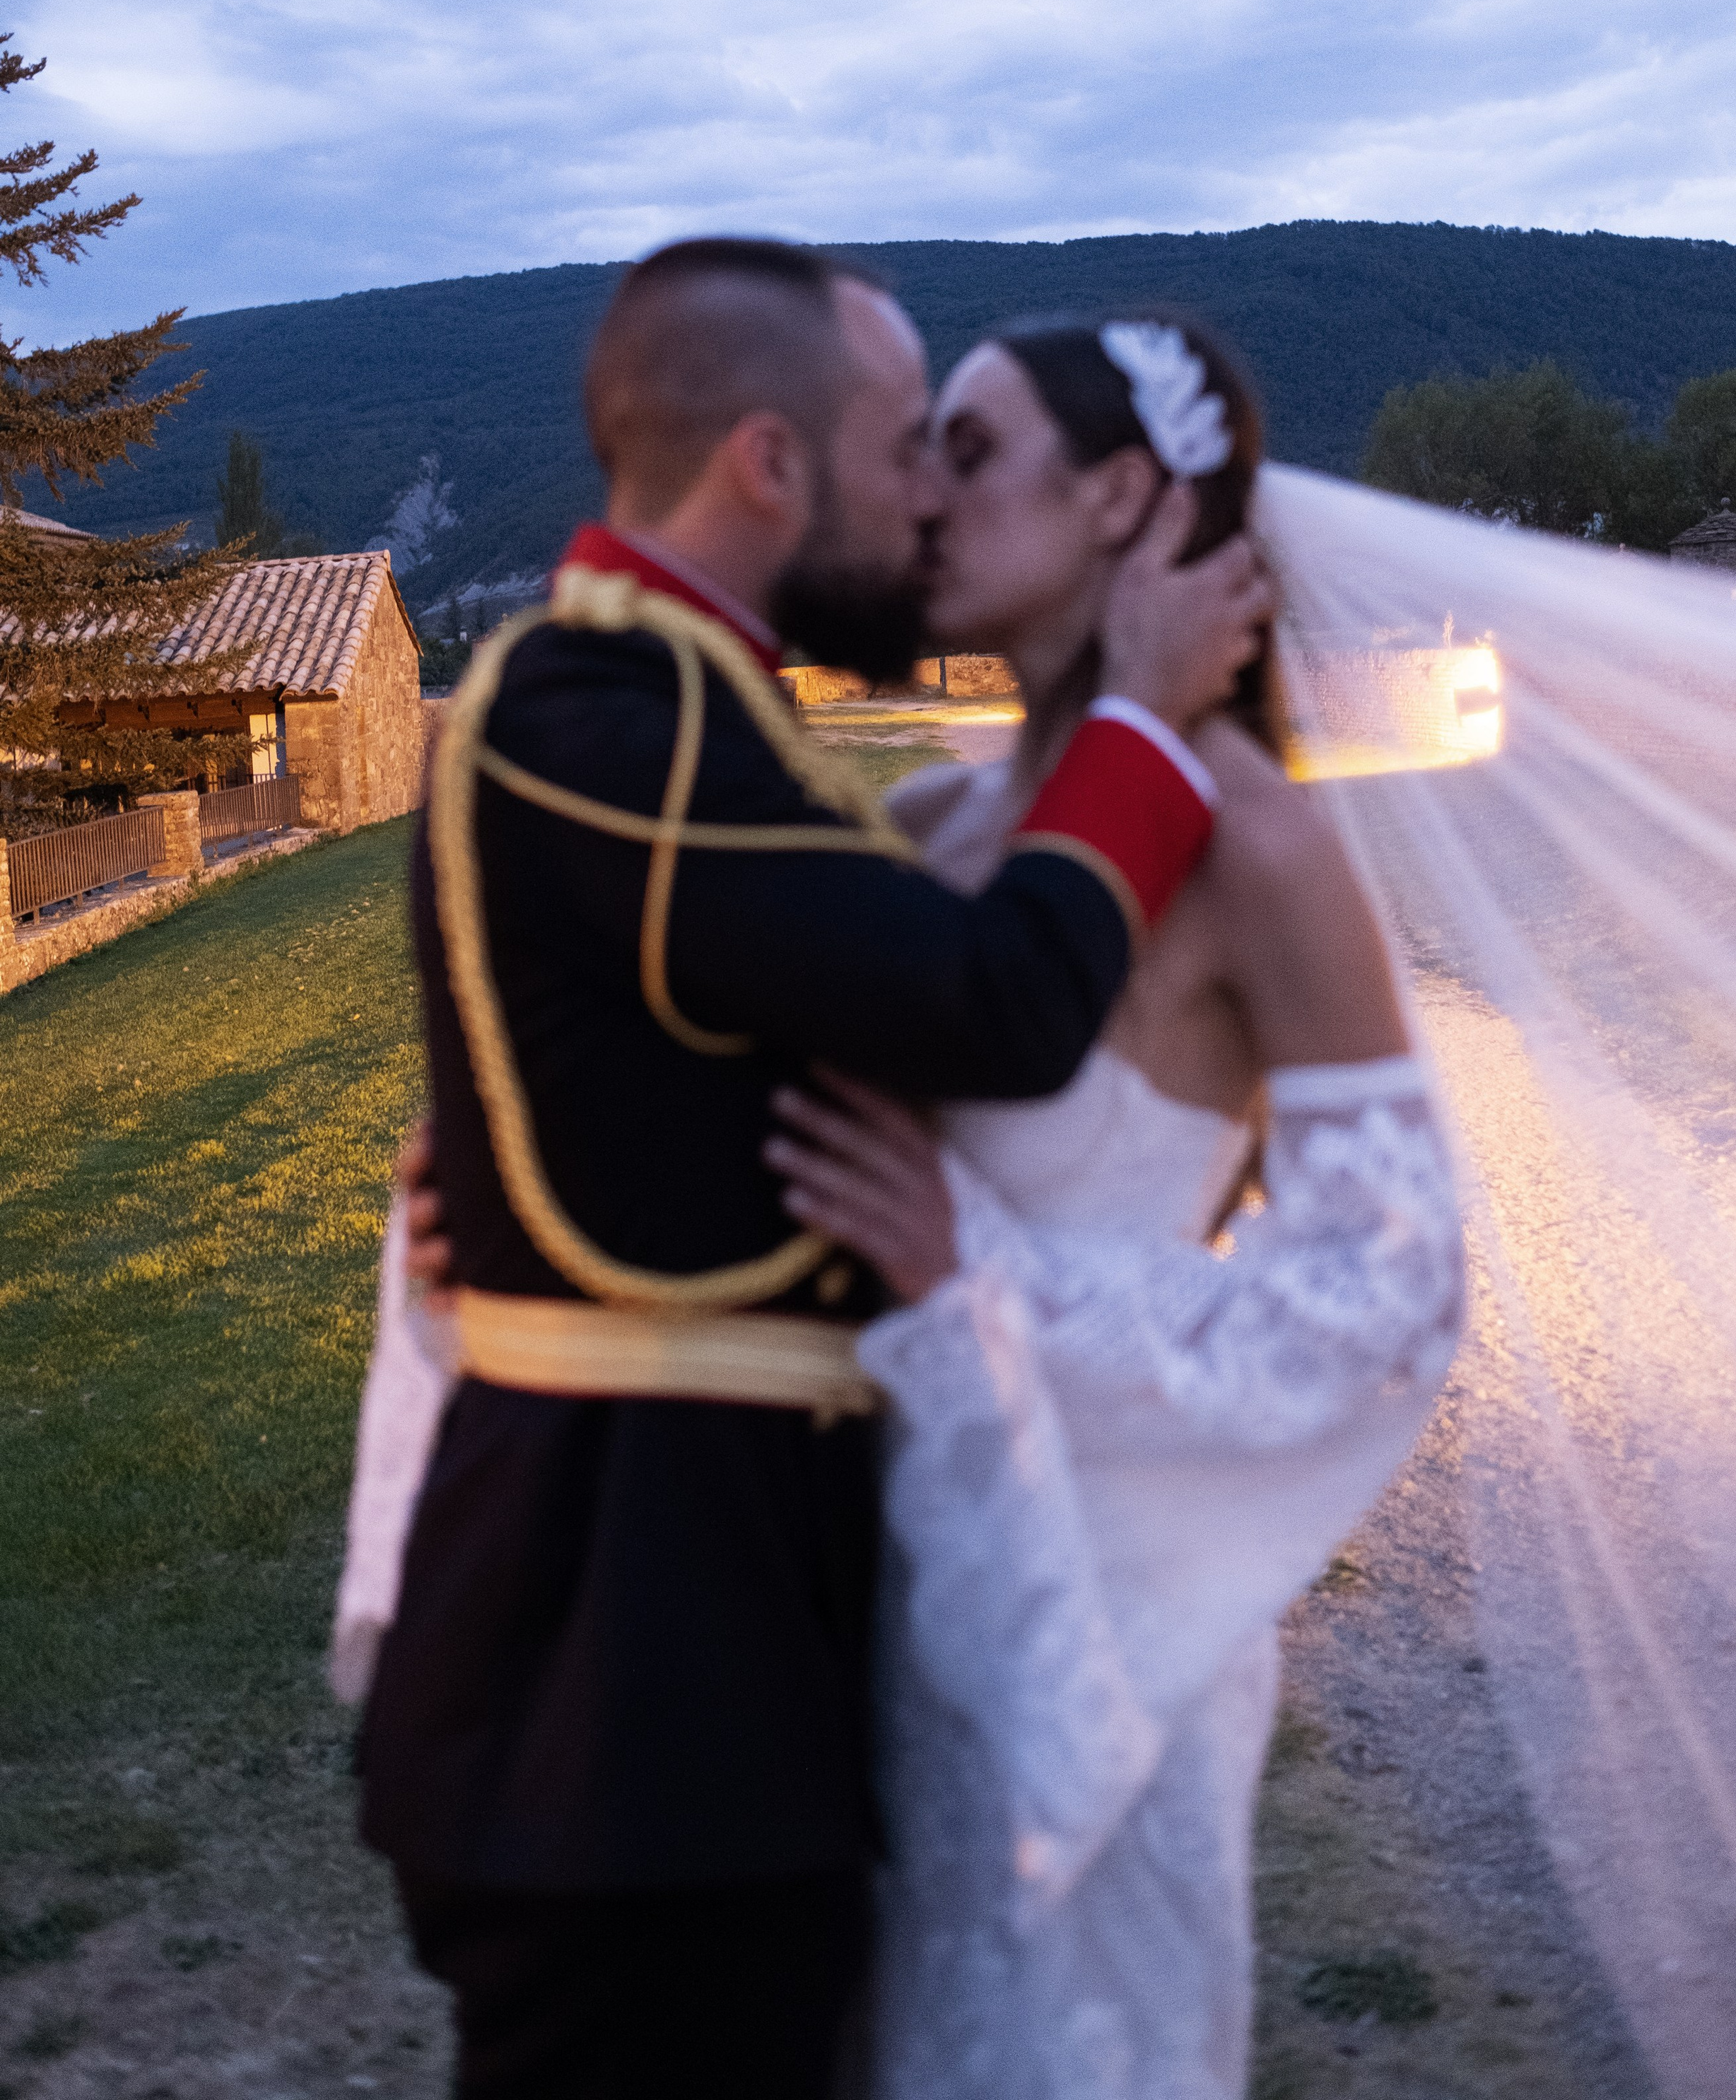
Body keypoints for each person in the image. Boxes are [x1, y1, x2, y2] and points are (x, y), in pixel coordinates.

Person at [351, 241, 1272, 2100]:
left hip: (699, 1669)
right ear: (771, 464)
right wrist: (1151, 723)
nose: (928, 491)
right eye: (899, 445)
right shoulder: (604, 714)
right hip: (626, 1685)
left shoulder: (686, 714)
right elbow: (1002, 1002)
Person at [763, 316, 1465, 2099]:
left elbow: (1385, 1295)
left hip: (1099, 1630)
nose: (919, 494)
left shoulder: (1257, 854)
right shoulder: (929, 827)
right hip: (865, 1613)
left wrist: (967, 1274)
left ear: (1122, 497)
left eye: (970, 450)